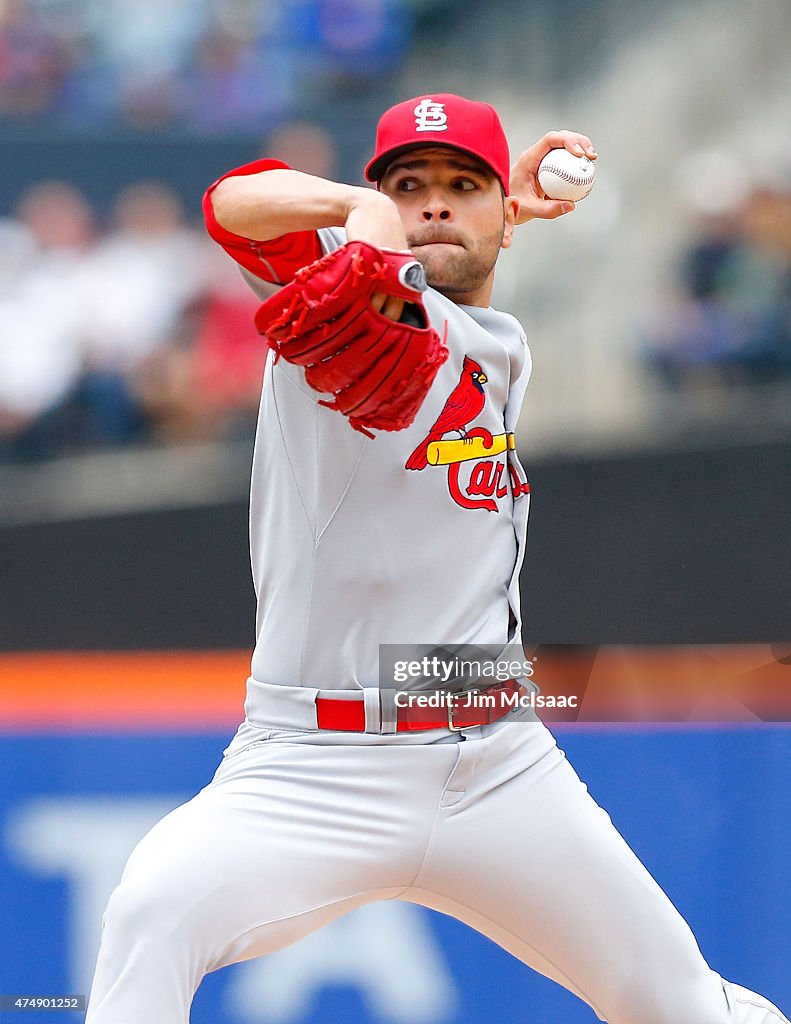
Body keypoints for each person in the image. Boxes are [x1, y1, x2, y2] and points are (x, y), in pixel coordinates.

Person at [85, 94, 789, 1024]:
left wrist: (482, 223)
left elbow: (460, 290)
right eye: (409, 185)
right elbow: (234, 203)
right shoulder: (344, 302)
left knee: (686, 1005)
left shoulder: (502, 342)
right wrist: (354, 213)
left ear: (508, 214)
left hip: (497, 758)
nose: (434, 204)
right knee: (150, 914)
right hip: (313, 763)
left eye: (463, 186)